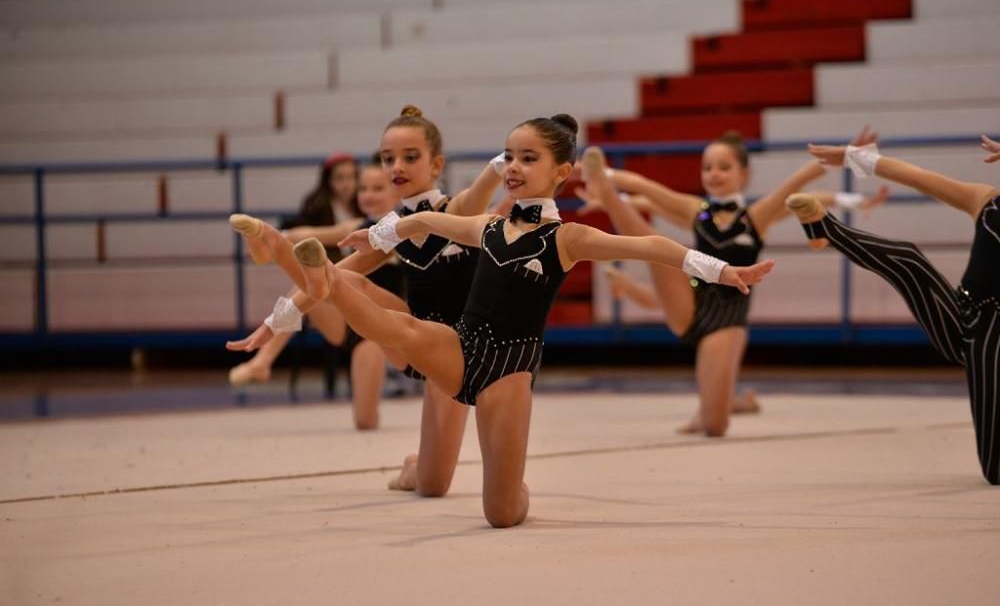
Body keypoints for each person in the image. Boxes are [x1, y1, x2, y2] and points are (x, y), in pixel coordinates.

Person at [241, 114, 774, 528]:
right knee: (396, 327)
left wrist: (721, 270)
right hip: (461, 344)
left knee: (500, 514)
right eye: (510, 157)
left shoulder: (566, 238)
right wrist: (375, 237)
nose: (514, 167)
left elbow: (650, 245)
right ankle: (320, 277)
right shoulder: (489, 226)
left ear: (561, 173)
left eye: (529, 158)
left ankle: (515, 490)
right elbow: (423, 219)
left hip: (510, 370)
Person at [230, 105, 503, 495]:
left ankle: (414, 469)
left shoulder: (456, 210)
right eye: (388, 158)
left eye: (411, 157)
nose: (398, 166)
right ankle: (276, 244)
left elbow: (483, 187)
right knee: (344, 279)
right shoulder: (387, 230)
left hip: (458, 353)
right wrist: (271, 326)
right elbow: (329, 283)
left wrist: (508, 159)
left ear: (436, 163)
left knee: (432, 485)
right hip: (410, 336)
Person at [576, 130, 887, 436]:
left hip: (726, 320)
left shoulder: (756, 217)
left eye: (724, 167)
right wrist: (604, 174)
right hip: (691, 300)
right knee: (655, 244)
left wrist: (848, 161)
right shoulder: (696, 211)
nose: (714, 174)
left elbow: (799, 183)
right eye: (707, 167)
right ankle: (606, 192)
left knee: (715, 426)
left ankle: (729, 403)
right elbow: (648, 188)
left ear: (744, 175)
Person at [784, 132, 999, 485]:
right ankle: (824, 227)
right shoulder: (987, 201)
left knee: (996, 471)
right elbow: (917, 177)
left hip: (995, 340)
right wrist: (855, 156)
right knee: (909, 257)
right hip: (965, 316)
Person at [228, 153, 363, 386]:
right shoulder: (317, 207)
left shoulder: (370, 214)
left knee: (309, 284)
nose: (347, 184)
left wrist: (280, 236)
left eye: (352, 178)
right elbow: (310, 233)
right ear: (328, 181)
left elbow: (344, 230)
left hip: (371, 304)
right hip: (337, 301)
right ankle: (262, 361)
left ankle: (263, 361)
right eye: (340, 178)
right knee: (311, 286)